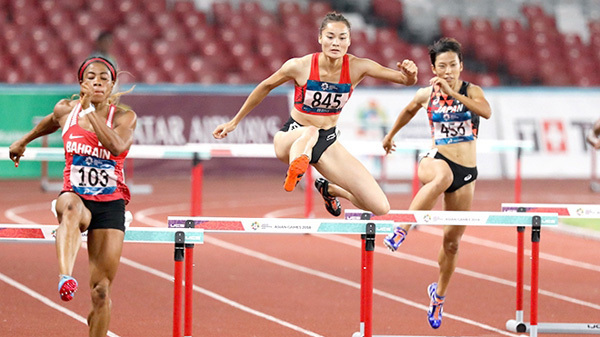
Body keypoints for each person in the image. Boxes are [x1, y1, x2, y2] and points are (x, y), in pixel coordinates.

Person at [212, 12, 418, 217]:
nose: (336, 43)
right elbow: (265, 87)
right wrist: (234, 122)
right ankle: (296, 168)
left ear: (349, 41)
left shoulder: (358, 67)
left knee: (380, 207)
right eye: (330, 37)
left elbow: (404, 80)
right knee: (309, 131)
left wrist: (410, 74)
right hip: (292, 137)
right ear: (320, 38)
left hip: (326, 142)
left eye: (342, 37)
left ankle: (330, 189)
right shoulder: (299, 66)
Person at [8, 56, 136, 337]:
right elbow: (51, 122)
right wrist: (23, 140)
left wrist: (90, 111)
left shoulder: (124, 116)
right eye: (91, 77)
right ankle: (65, 277)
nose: (98, 82)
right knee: (69, 209)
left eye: (104, 78)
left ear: (113, 84)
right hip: (76, 195)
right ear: (81, 83)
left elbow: (116, 147)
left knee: (101, 292)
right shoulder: (66, 109)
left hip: (110, 202)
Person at [381, 38, 491, 329]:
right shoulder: (427, 94)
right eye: (441, 66)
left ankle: (438, 295)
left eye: (452, 65)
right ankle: (402, 228)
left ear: (461, 66)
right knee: (442, 176)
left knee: (452, 244)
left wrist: (454, 92)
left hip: (466, 172)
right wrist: (391, 135)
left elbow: (486, 112)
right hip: (435, 159)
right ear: (433, 68)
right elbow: (408, 110)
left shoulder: (472, 91)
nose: (447, 71)